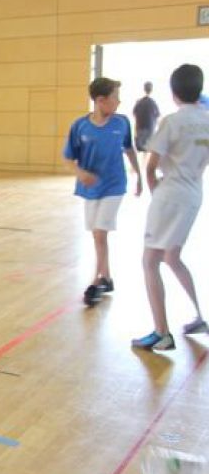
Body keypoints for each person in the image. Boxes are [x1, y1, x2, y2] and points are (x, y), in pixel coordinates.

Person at [132, 64, 209, 351]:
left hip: (170, 196)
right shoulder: (207, 120)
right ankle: (200, 317)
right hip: (193, 194)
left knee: (150, 261)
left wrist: (156, 192)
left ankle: (161, 332)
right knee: (173, 257)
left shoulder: (172, 122)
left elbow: (150, 166)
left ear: (174, 92)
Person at [63, 77, 142, 307]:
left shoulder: (122, 122)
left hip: (114, 186)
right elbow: (68, 158)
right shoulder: (80, 126)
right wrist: (80, 173)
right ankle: (107, 277)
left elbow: (129, 149)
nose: (119, 101)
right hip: (90, 188)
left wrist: (138, 175)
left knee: (100, 233)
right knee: (97, 235)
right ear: (100, 100)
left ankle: (96, 281)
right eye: (115, 97)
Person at [132, 81, 160, 154]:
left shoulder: (139, 102)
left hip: (140, 128)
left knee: (140, 149)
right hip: (149, 127)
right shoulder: (152, 102)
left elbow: (134, 113)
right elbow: (157, 115)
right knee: (147, 150)